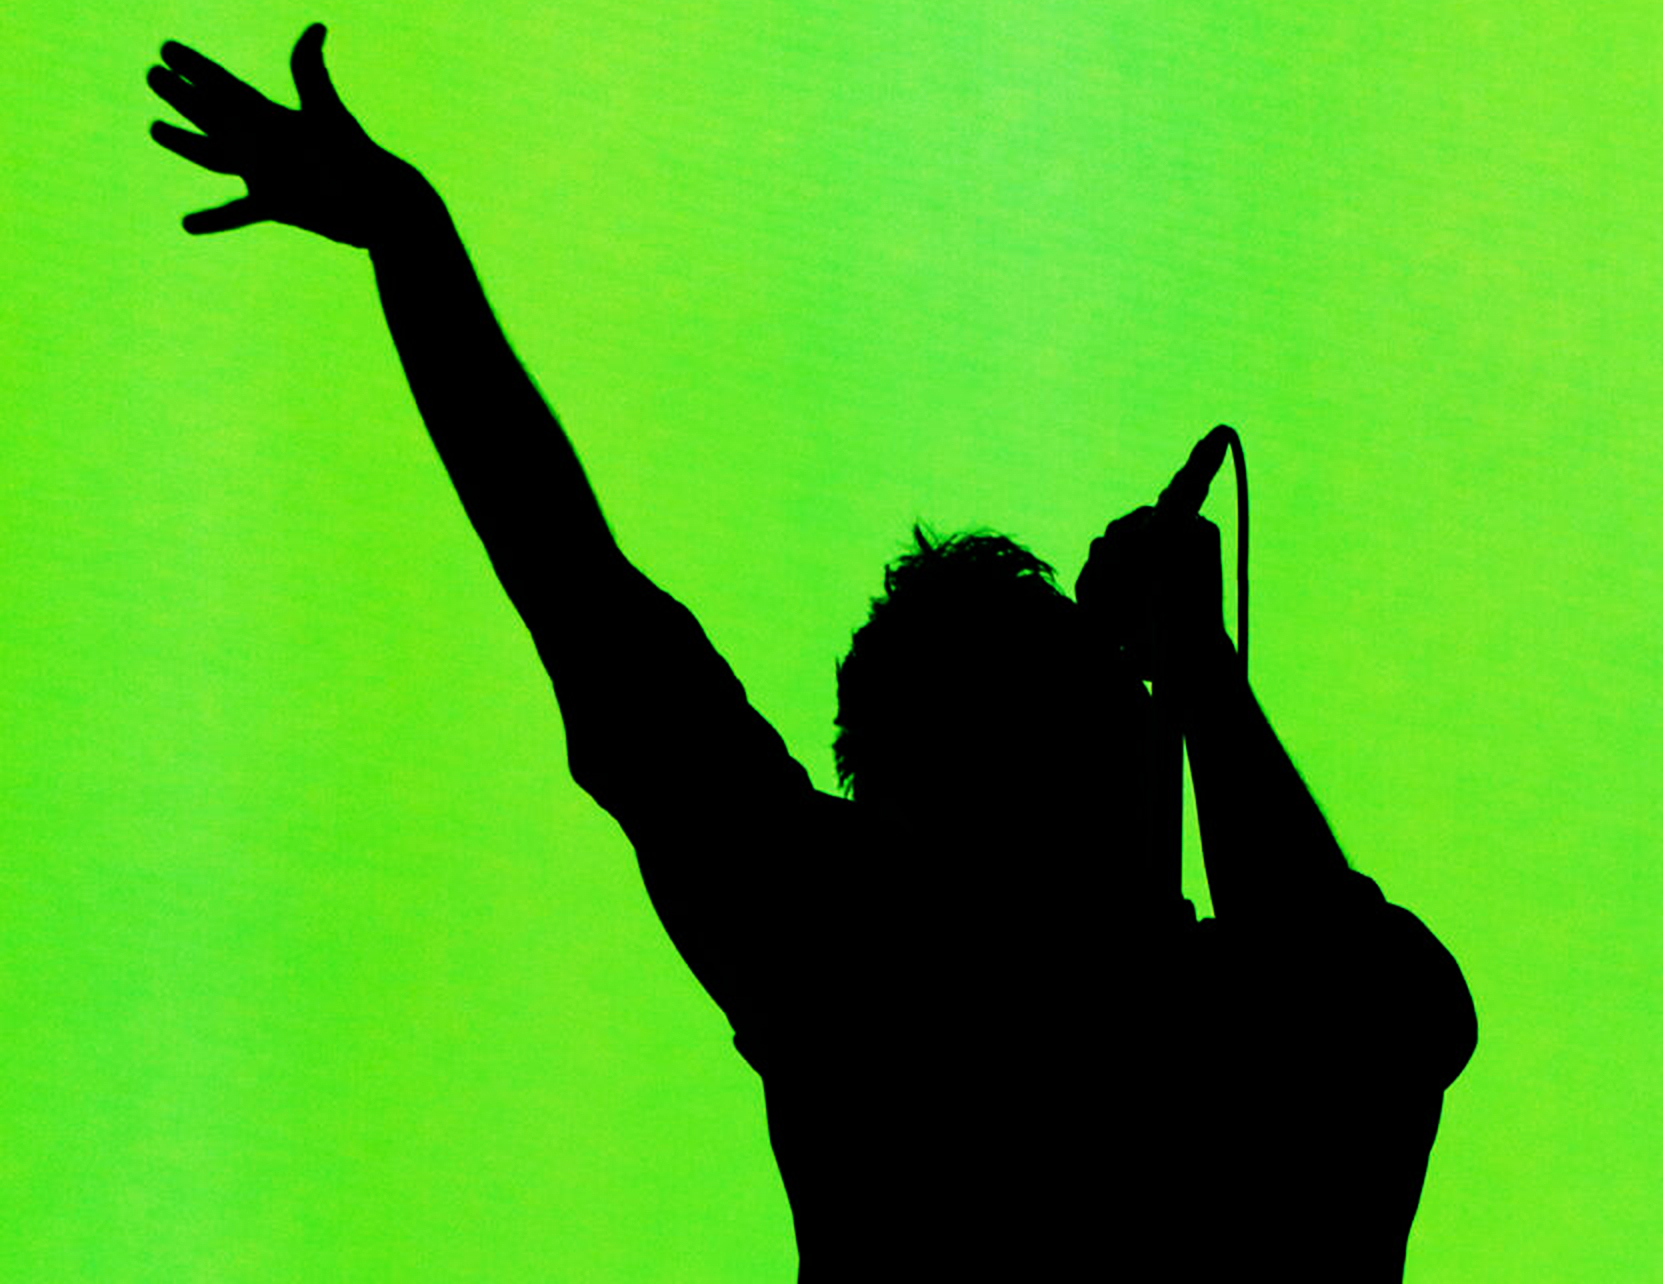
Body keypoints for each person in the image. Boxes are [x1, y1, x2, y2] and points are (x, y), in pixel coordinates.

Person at [147, 26, 1476, 1279]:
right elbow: (1351, 988)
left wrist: (411, 243)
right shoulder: (1291, 1035)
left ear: (892, 800)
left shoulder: (856, 973)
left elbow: (581, 594)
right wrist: (1203, 675)